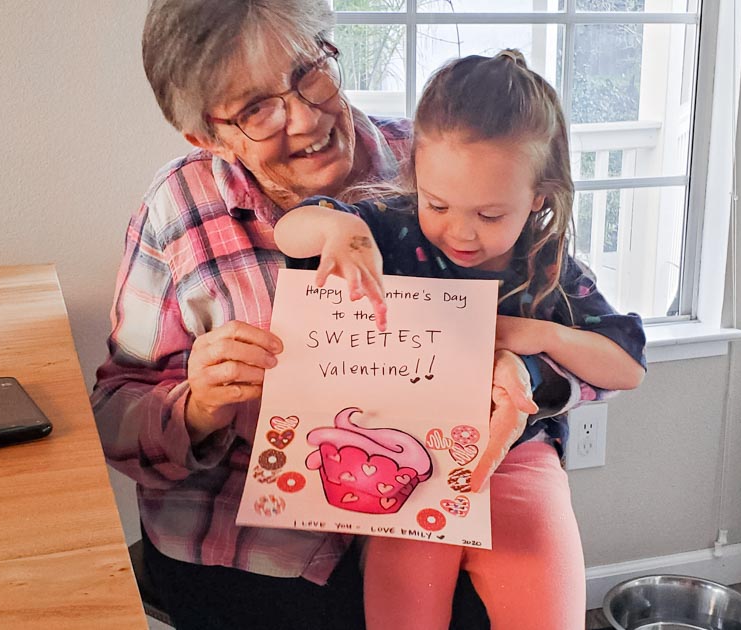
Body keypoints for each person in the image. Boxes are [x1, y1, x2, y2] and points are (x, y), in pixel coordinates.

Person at [90, 0, 628, 624]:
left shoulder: (439, 158)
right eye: (256, 108)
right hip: (248, 550)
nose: (304, 118)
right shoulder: (177, 209)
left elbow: (559, 307)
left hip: (434, 506)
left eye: (308, 72)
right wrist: (198, 405)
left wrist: (528, 370)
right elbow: (113, 413)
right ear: (207, 136)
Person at [274, 50, 647, 629]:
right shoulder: (392, 229)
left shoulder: (548, 266)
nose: (460, 232)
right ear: (417, 178)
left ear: (538, 198)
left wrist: (528, 333)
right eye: (438, 203)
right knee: (401, 612)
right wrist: (340, 231)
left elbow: (628, 367)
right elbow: (292, 230)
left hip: (518, 462)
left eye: (491, 214)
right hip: (403, 460)